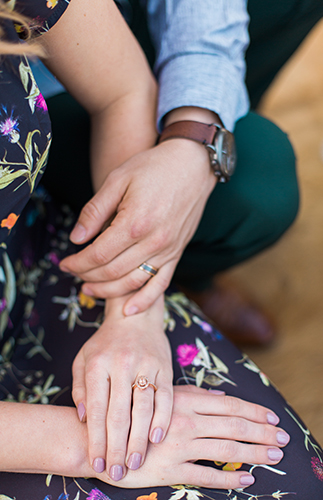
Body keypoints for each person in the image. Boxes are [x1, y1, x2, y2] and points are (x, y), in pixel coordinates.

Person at [0, 1, 323, 499]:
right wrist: (89, 445)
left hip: (28, 267)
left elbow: (122, 89)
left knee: (286, 481)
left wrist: (132, 312)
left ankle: (189, 273)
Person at [35, 0, 323, 347]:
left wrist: (193, 136)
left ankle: (189, 264)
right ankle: (181, 258)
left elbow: (123, 92)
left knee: (253, 179)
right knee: (254, 177)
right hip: (40, 100)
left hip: (103, 47)